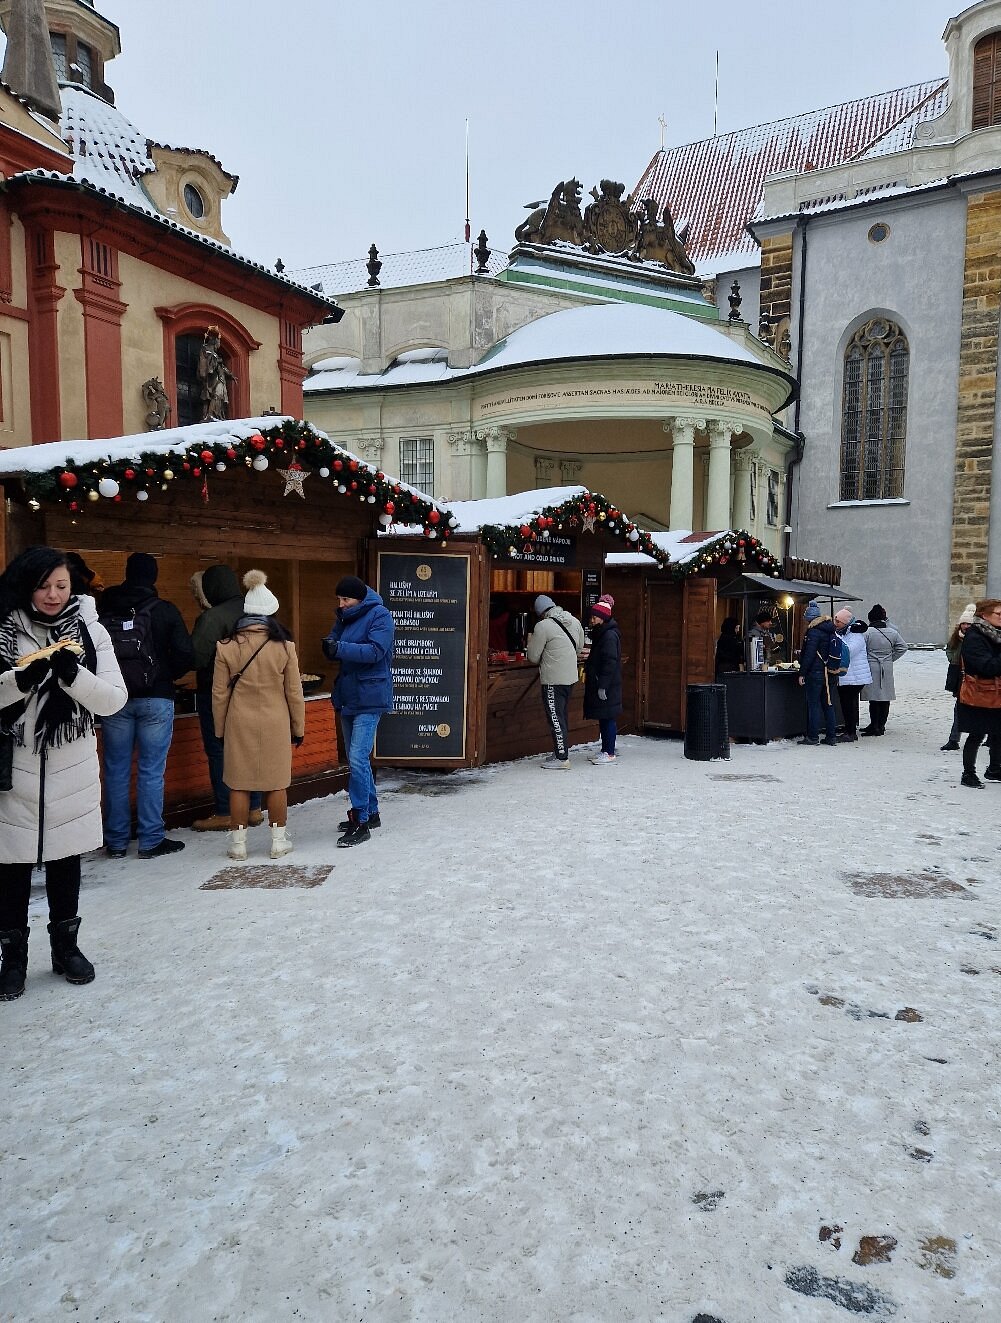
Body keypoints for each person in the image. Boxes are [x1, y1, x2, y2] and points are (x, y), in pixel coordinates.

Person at [0, 547, 127, 1000]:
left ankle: (65, 949)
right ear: (24, 583)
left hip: (70, 764)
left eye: (62, 585)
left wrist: (73, 677)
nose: (53, 595)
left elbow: (114, 700)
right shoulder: (5, 626)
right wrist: (19, 680)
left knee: (65, 862)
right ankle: (12, 957)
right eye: (43, 585)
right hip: (12, 768)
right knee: (10, 870)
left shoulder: (90, 630)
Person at [99, 552, 193, 859]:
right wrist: (164, 674)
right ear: (153, 576)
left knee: (115, 770)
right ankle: (151, 840)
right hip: (156, 698)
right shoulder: (164, 610)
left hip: (115, 698)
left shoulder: (104, 608)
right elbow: (185, 654)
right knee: (152, 770)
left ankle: (115, 842)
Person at [213, 571, 305, 859]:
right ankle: (278, 842)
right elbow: (294, 692)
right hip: (276, 722)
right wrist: (298, 727)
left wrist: (219, 730)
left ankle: (238, 845)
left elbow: (219, 695)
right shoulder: (285, 646)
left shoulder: (225, 647)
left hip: (238, 722)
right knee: (276, 783)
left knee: (239, 784)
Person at [189, 564, 264, 832]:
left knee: (220, 751)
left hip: (218, 694)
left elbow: (196, 657)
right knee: (249, 749)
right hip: (255, 693)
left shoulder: (213, 617)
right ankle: (254, 808)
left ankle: (226, 811)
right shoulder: (257, 609)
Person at [322, 575, 395, 847]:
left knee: (357, 757)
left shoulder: (380, 616)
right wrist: (330, 646)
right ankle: (372, 812)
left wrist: (339, 648)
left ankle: (360, 819)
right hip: (349, 694)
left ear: (359, 598)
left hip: (370, 694)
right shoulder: (346, 616)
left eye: (346, 599)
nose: (341, 605)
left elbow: (376, 651)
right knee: (357, 758)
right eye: (339, 600)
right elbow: (336, 639)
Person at [526, 593, 585, 769]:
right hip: (570, 677)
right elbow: (579, 647)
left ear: (540, 612)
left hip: (553, 678)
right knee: (561, 716)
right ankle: (560, 751)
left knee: (555, 718)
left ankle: (561, 758)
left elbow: (533, 657)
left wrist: (530, 642)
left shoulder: (543, 626)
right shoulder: (574, 621)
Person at [956, 598, 1001, 789]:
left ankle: (994, 769)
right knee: (977, 734)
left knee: (998, 732)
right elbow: (986, 666)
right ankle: (968, 773)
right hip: (979, 693)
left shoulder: (996, 634)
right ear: (984, 615)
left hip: (996, 693)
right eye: (999, 614)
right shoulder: (975, 637)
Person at [583, 594, 622, 764]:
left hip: (607, 685)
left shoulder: (609, 636)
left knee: (608, 718)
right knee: (604, 717)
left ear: (603, 618)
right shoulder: (603, 634)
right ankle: (605, 749)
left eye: (594, 616)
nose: (591, 619)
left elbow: (609, 662)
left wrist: (603, 685)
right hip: (605, 683)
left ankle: (609, 752)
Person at [860, 604, 908, 736]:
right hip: (886, 667)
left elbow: (861, 648)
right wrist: (890, 658)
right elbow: (903, 647)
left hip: (871, 666)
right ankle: (881, 726)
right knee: (885, 697)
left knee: (873, 697)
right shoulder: (892, 632)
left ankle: (874, 725)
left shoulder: (867, 633)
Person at [797, 600, 838, 746]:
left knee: (813, 705)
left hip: (815, 673)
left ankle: (813, 737)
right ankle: (831, 736)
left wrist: (802, 673)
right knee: (828, 704)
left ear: (810, 619)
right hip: (829, 672)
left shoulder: (813, 631)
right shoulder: (830, 629)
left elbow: (809, 655)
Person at [833, 609, 871, 742]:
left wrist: (835, 641)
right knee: (847, 703)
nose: (835, 623)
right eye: (835, 620)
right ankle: (849, 729)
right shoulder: (843, 633)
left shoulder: (855, 635)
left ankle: (850, 732)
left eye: (838, 621)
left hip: (855, 677)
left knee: (848, 703)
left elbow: (848, 651)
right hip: (849, 676)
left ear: (845, 622)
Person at [943, 603, 976, 751]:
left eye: (969, 623)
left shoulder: (977, 639)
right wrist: (953, 660)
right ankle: (954, 740)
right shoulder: (956, 638)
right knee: (959, 709)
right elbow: (949, 650)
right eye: (964, 623)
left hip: (975, 678)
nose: (966, 626)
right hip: (959, 677)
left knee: (981, 710)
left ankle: (989, 735)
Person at [197, 325, 236, 421]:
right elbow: (204, 364)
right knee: (215, 395)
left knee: (220, 395)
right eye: (218, 342)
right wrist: (215, 362)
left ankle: (217, 414)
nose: (219, 344)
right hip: (211, 378)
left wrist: (230, 375)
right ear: (214, 341)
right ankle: (210, 415)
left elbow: (222, 366)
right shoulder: (205, 349)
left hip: (220, 377)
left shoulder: (215, 354)